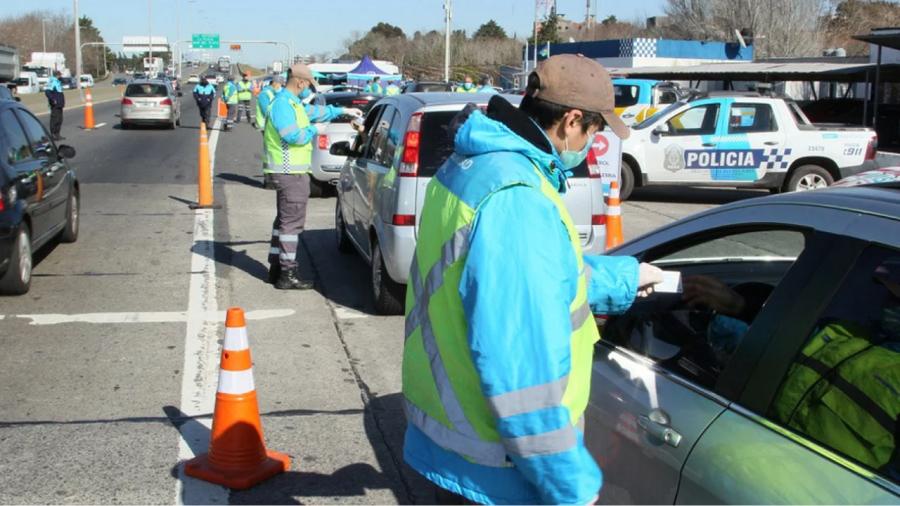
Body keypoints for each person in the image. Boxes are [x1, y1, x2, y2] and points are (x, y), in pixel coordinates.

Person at [401, 54, 664, 505]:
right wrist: (573, 487)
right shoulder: (518, 200)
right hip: (492, 468)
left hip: (448, 439)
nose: (596, 142)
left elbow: (532, 279)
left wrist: (629, 277)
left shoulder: (477, 167)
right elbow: (523, 377)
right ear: (572, 120)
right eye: (597, 130)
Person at [264, 64, 362, 289]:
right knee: (292, 224)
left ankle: (277, 266)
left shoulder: (291, 103)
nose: (309, 89)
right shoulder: (283, 105)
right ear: (299, 82)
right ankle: (287, 273)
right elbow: (294, 137)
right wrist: (315, 131)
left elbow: (315, 112)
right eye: (308, 84)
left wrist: (342, 112)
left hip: (290, 172)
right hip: (290, 172)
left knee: (283, 221)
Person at [256, 75, 285, 189]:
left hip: (272, 126)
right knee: (270, 152)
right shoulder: (265, 94)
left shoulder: (273, 93)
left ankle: (274, 178)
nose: (281, 87)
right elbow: (267, 111)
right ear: (275, 83)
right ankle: (269, 180)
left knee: (274, 151)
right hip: (266, 126)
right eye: (280, 84)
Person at [45, 70, 65, 141]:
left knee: (60, 119)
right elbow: (47, 92)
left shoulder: (57, 81)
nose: (60, 76)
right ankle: (53, 135)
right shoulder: (52, 81)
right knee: (55, 119)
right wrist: (53, 99)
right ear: (57, 75)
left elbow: (63, 81)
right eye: (60, 75)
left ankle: (57, 134)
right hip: (55, 105)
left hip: (60, 104)